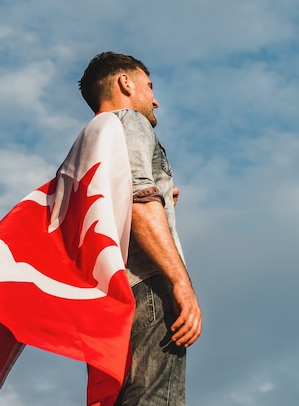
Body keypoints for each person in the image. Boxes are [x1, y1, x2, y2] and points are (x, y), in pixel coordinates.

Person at [78, 52, 202, 406]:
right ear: (125, 83)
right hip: (143, 286)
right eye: (149, 86)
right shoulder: (129, 119)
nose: (155, 99)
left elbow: (112, 199)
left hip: (107, 297)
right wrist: (181, 284)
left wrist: (160, 195)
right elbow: (137, 199)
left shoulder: (91, 138)